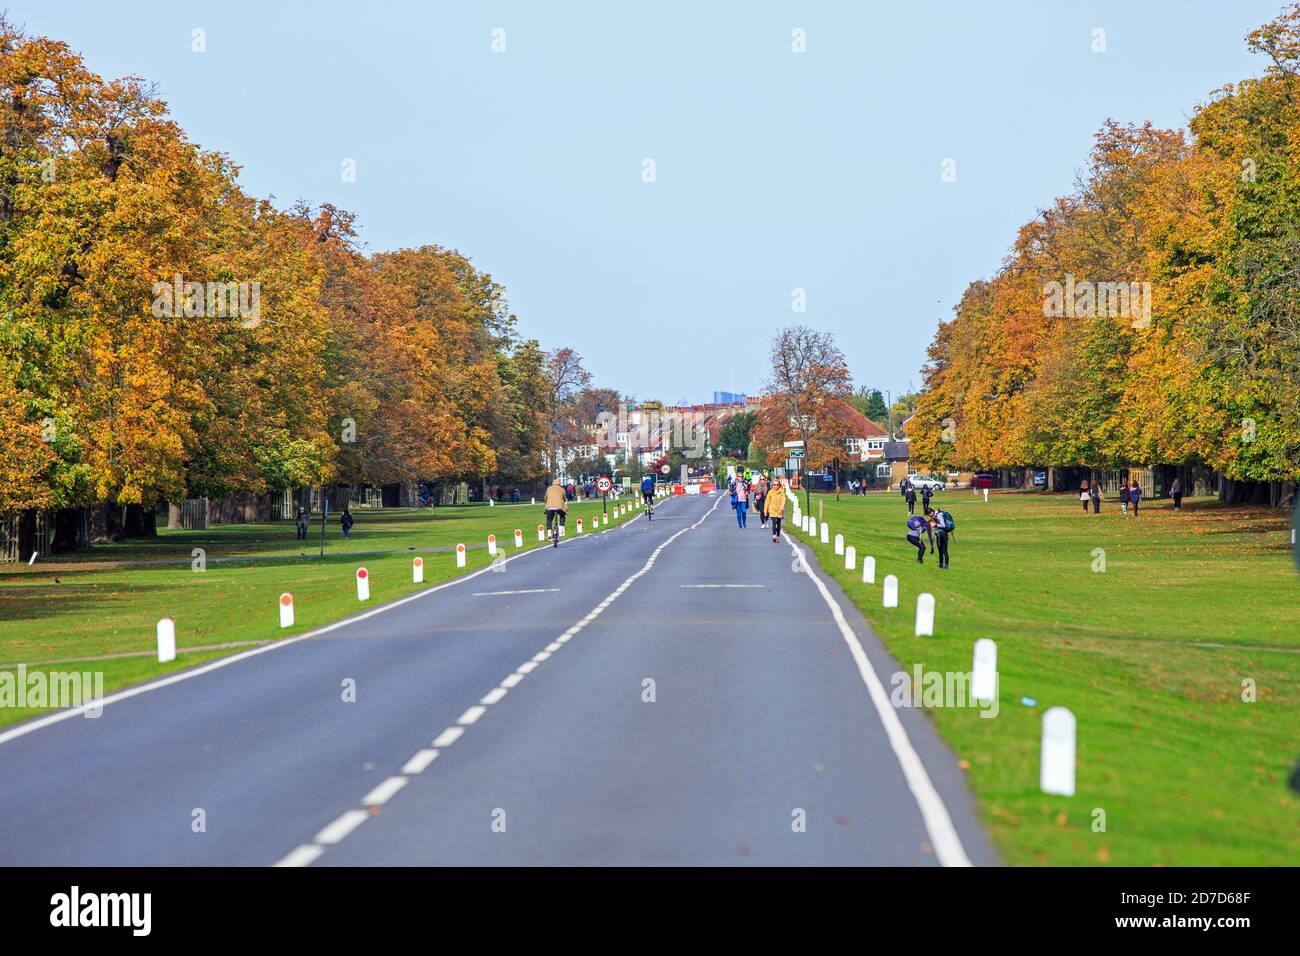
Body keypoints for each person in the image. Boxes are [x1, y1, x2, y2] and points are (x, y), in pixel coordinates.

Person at [764, 478, 787, 542]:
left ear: (779, 485)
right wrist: (765, 510)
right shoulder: (770, 492)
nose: (775, 486)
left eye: (777, 485)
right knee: (774, 522)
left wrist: (782, 507)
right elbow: (767, 501)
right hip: (772, 509)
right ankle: (774, 535)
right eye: (774, 485)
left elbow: (783, 500)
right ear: (772, 485)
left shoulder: (781, 492)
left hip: (779, 509)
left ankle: (778, 536)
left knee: (778, 523)